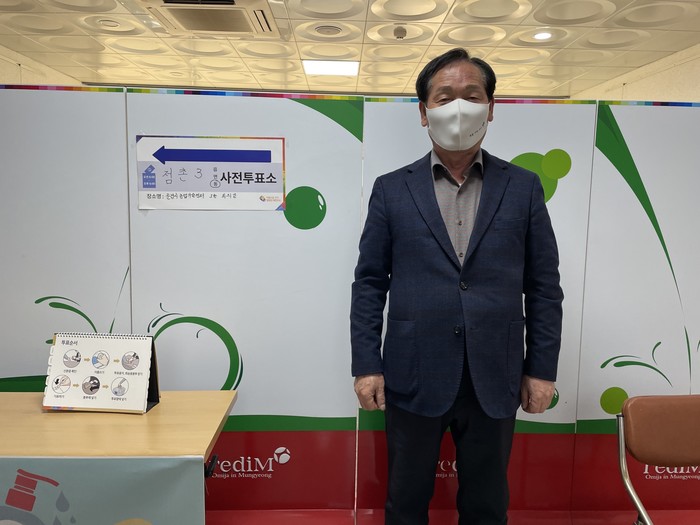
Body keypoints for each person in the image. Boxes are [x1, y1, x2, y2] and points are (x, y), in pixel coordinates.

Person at [350, 48, 564, 525]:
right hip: (413, 371)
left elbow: (544, 287)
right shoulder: (391, 189)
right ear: (424, 112)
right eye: (445, 97)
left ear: (491, 107)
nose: (460, 107)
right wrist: (366, 365)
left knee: (487, 504)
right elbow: (369, 283)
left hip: (496, 373)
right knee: (406, 501)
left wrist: (541, 369)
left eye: (472, 95)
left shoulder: (524, 187)